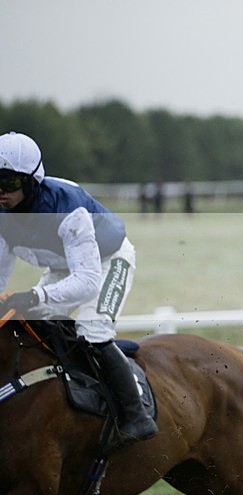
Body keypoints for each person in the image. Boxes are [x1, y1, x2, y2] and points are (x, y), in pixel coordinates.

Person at [0, 131, 158, 448]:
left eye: (9, 183)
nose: (0, 192)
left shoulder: (66, 208)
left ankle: (135, 416)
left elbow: (86, 281)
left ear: (31, 181)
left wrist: (35, 296)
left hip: (107, 261)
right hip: (64, 265)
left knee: (91, 329)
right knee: (29, 324)